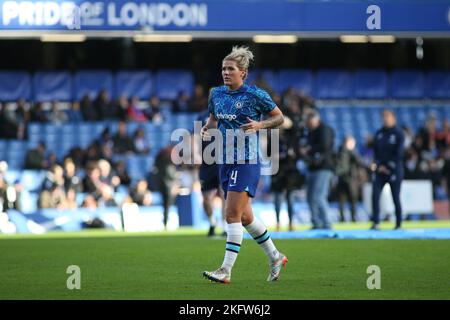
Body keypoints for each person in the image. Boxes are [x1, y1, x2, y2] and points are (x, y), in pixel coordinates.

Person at [201, 46, 287, 284]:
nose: (226, 73)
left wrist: (260, 126)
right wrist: (207, 127)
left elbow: (279, 117)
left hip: (247, 161)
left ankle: (225, 270)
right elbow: (213, 117)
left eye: (231, 69)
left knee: (231, 214)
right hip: (225, 161)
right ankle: (276, 257)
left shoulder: (255, 95)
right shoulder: (216, 94)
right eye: (223, 69)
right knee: (246, 217)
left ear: (243, 73)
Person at [371, 109, 405, 230]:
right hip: (380, 170)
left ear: (393, 118)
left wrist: (389, 167)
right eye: (383, 117)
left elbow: (399, 153)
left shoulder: (398, 133)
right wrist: (378, 165)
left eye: (387, 116)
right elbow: (375, 152)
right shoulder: (379, 133)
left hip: (394, 170)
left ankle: (398, 223)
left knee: (395, 197)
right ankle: (376, 222)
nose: (385, 119)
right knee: (375, 195)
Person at [300, 110, 335, 230]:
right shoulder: (310, 132)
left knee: (319, 196)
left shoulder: (325, 129)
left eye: (310, 122)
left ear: (316, 120)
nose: (308, 125)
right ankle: (316, 222)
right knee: (310, 196)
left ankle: (327, 223)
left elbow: (325, 145)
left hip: (324, 167)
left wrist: (308, 149)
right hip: (312, 167)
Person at [196, 109, 226, 237]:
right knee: (206, 197)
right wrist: (196, 153)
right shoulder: (201, 116)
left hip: (223, 161)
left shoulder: (226, 113)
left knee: (224, 194)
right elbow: (196, 136)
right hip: (206, 163)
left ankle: (225, 226)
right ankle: (213, 222)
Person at [335, 136, 365, 222]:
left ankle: (342, 217)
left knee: (342, 199)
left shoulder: (339, 151)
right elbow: (359, 162)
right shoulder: (351, 152)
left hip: (342, 178)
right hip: (350, 179)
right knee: (352, 199)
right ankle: (352, 217)